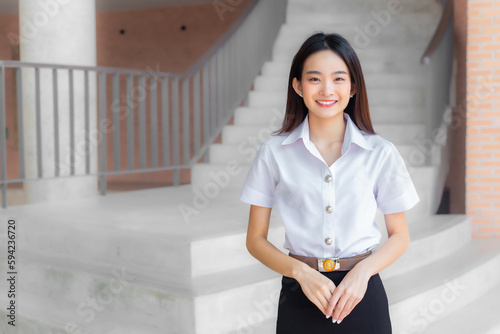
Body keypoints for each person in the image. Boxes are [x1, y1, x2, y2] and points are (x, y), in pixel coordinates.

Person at [238, 32, 420, 333]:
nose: (326, 90)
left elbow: (400, 236)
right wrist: (300, 272)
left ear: (353, 87)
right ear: (297, 85)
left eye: (338, 79)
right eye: (314, 79)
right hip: (300, 293)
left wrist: (362, 274)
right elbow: (255, 239)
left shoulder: (381, 153)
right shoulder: (273, 154)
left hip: (362, 293)